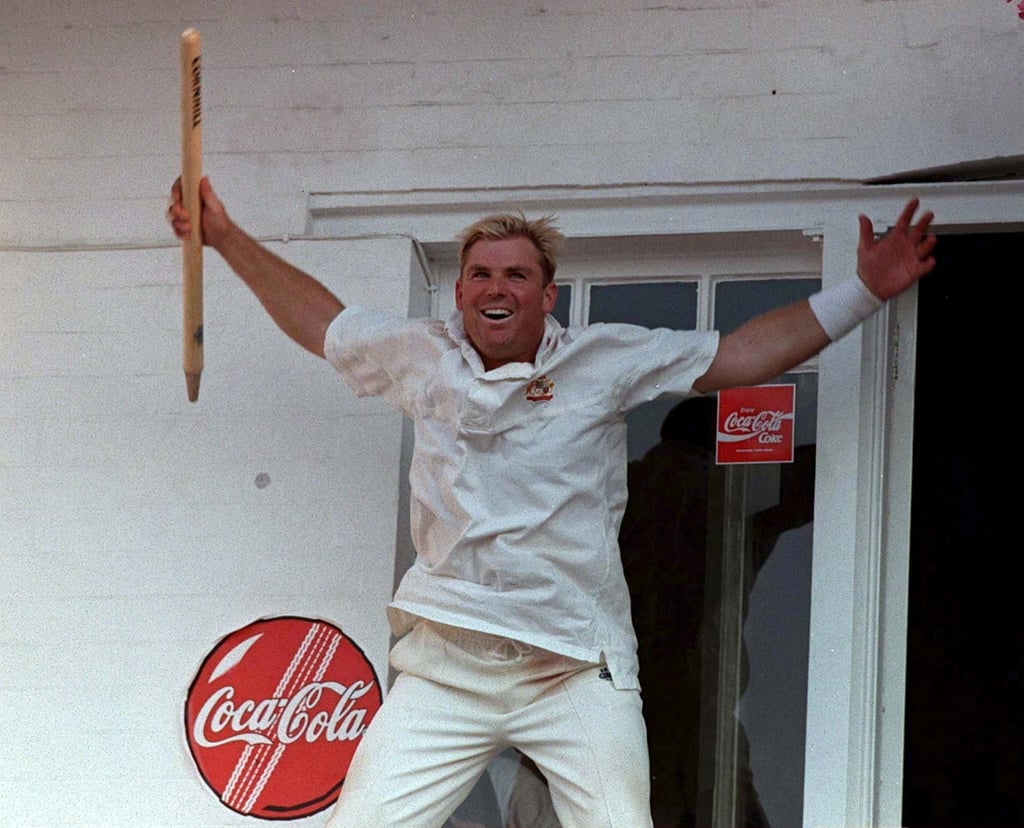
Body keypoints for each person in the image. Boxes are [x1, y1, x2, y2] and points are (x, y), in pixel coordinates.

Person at [168, 178, 936, 828]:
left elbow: (737, 356)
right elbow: (325, 325)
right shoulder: (422, 355)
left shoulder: (602, 359)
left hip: (574, 669)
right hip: (448, 667)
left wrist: (863, 291)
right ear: (461, 290)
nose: (496, 287)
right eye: (480, 274)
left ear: (547, 294)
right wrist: (225, 236)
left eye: (516, 275)